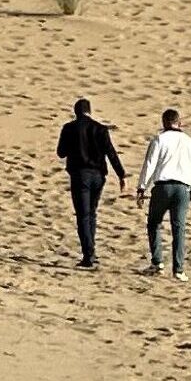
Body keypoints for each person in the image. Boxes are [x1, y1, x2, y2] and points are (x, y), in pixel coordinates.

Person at [56, 97, 126, 268]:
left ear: (76, 112)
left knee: (83, 215)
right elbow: (111, 153)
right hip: (98, 176)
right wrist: (121, 174)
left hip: (80, 175)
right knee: (92, 213)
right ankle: (91, 251)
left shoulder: (69, 128)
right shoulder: (100, 129)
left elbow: (61, 153)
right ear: (90, 111)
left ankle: (88, 255)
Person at [137, 107, 191, 281]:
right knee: (179, 228)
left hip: (163, 187)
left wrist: (142, 187)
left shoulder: (160, 139)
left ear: (164, 123)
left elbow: (149, 164)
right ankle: (179, 269)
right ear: (179, 122)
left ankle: (157, 262)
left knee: (154, 223)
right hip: (182, 188)